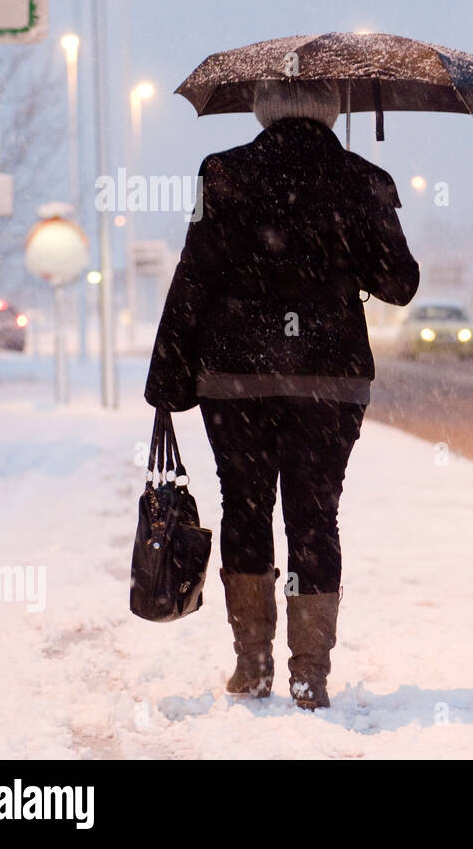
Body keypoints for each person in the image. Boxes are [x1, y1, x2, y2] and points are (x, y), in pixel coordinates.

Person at [145, 78, 419, 709]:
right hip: (330, 378)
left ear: (262, 112)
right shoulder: (363, 180)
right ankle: (310, 673)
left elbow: (194, 278)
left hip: (236, 379)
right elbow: (399, 283)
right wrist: (354, 230)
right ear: (333, 112)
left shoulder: (223, 174)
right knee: (315, 516)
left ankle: (253, 664)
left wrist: (168, 380)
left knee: (245, 510)